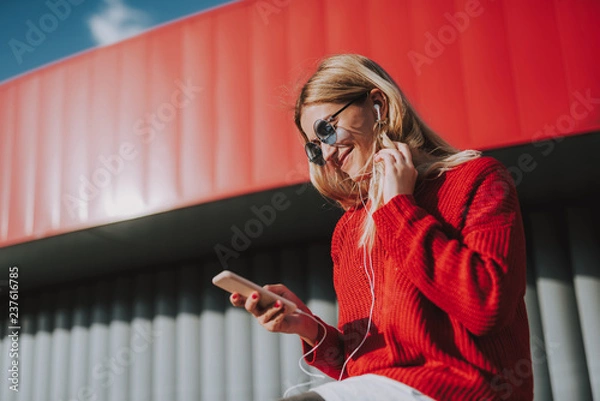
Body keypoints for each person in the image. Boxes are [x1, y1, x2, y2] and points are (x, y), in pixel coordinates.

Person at [230, 54, 533, 401]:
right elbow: (363, 365)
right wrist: (309, 327)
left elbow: (485, 307)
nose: (327, 155)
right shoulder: (348, 230)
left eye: (326, 130)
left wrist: (398, 209)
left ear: (377, 104)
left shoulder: (476, 179)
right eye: (314, 148)